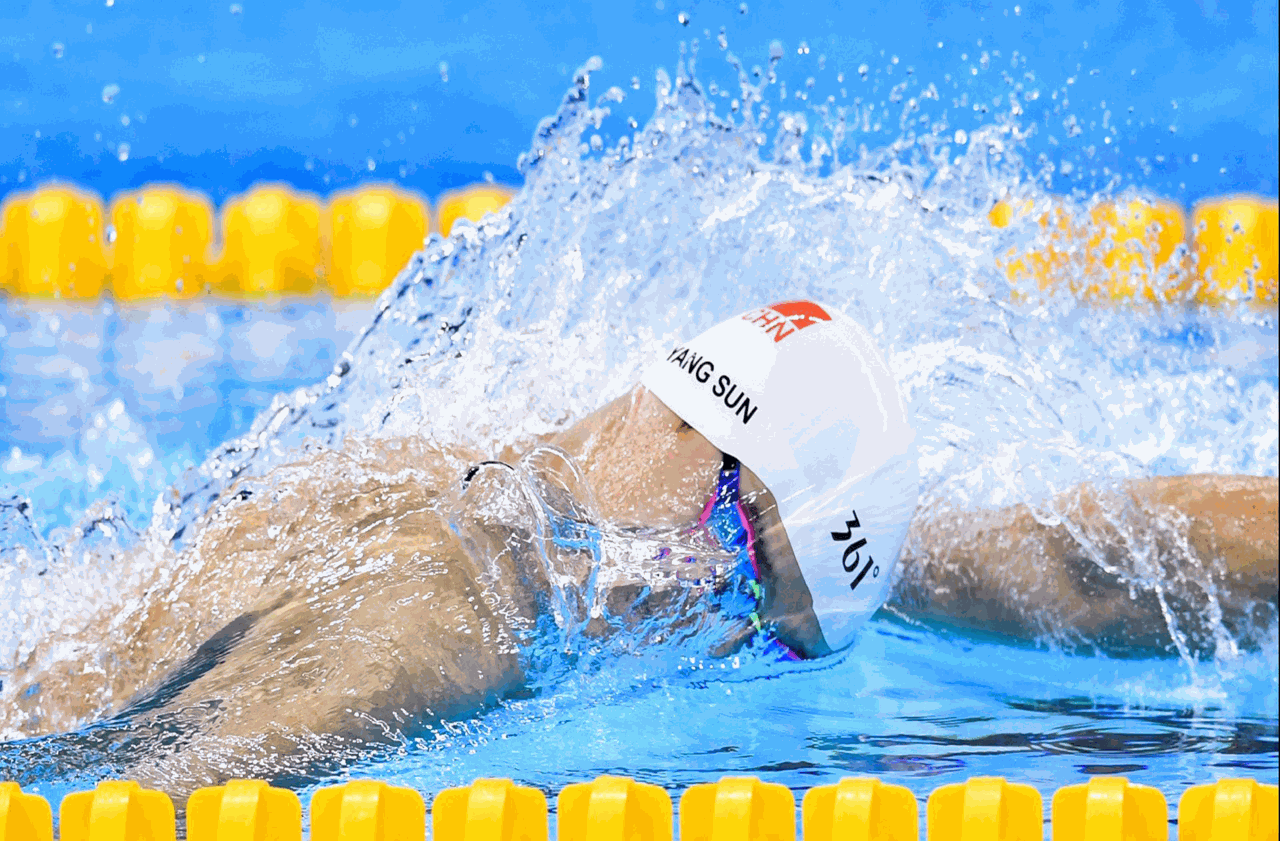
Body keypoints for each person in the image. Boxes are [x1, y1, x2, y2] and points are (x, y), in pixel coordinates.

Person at [2, 300, 1275, 795]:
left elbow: (1060, 565)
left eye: (759, 624)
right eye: (732, 539)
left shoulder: (503, 471)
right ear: (683, 431)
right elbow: (118, 814)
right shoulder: (440, 626)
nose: (704, 604)